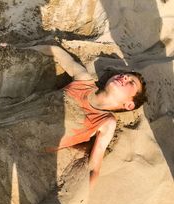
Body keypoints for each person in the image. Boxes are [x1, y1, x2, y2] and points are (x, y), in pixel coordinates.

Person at [17, 44, 146, 188]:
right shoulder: (84, 80)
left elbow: (93, 168)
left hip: (25, 146)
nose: (124, 77)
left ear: (129, 105)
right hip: (14, 113)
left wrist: (79, 203)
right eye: (124, 75)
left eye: (131, 82)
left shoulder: (106, 122)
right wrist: (18, 49)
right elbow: (56, 51)